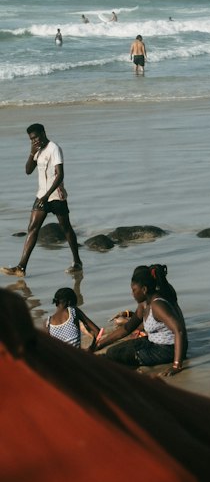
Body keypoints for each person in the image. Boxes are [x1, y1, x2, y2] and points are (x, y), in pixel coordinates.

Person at [3, 124, 84, 277]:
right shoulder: (37, 150)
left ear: (43, 133)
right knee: (32, 227)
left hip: (55, 196)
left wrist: (47, 196)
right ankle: (21, 267)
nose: (35, 140)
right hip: (41, 195)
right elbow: (28, 171)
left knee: (66, 228)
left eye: (37, 137)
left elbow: (60, 175)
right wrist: (31, 153)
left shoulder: (54, 148)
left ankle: (77, 262)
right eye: (32, 139)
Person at [94, 265, 187, 375]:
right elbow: (127, 328)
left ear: (144, 289)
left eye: (134, 290)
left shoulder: (157, 305)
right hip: (153, 343)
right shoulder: (143, 305)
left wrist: (176, 365)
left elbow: (179, 330)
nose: (132, 294)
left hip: (167, 350)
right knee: (112, 351)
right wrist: (100, 344)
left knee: (115, 356)